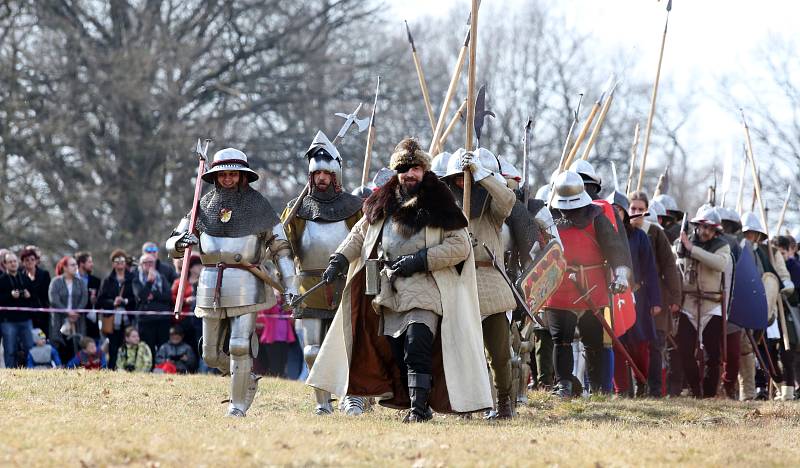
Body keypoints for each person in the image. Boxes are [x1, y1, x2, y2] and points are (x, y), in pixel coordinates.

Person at [308, 138, 493, 423]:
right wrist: (339, 259)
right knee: (396, 351)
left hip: (427, 286)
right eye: (404, 168)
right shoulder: (383, 199)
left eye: (415, 168)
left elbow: (460, 246)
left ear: (424, 170)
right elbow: (359, 234)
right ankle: (415, 402)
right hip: (388, 288)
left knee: (417, 342)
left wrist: (420, 260)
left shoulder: (440, 201)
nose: (410, 174)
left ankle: (419, 411)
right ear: (397, 170)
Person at [166, 147, 298, 417]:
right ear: (215, 177)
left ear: (242, 177)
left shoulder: (258, 206)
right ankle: (245, 378)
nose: (227, 179)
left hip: (247, 282)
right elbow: (173, 244)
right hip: (210, 282)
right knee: (209, 354)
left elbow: (281, 248)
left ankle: (237, 407)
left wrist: (292, 285)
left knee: (240, 346)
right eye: (223, 174)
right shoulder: (201, 207)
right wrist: (181, 242)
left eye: (233, 174)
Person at [280, 131, 365, 415]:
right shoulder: (296, 210)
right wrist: (276, 245)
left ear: (336, 175)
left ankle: (350, 397)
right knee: (312, 349)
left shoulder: (354, 208)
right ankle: (322, 402)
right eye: (317, 174)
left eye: (327, 173)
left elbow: (363, 242)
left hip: (344, 281)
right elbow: (285, 249)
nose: (321, 179)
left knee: (346, 346)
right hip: (308, 284)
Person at [441, 147, 517, 418]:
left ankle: (505, 403)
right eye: (459, 178)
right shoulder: (446, 213)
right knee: (463, 352)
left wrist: (480, 172)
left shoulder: (492, 213)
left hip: (490, 282)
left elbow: (507, 199)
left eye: (467, 178)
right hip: (459, 282)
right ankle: (467, 405)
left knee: (499, 354)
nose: (464, 183)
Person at [542, 171, 632, 398]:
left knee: (594, 342)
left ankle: (599, 388)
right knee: (560, 340)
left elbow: (615, 248)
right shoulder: (549, 217)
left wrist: (620, 275)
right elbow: (538, 249)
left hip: (591, 285)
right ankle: (564, 385)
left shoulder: (596, 216)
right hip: (560, 285)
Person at [674, 205, 732, 398]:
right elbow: (676, 268)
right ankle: (695, 390)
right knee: (683, 349)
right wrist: (681, 249)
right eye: (702, 227)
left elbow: (720, 264)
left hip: (711, 305)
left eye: (710, 228)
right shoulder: (684, 243)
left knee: (712, 356)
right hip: (689, 303)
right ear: (696, 226)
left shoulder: (722, 246)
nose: (706, 231)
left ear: (715, 230)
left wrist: (693, 250)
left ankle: (708, 396)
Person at [629, 191, 682, 398]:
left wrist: (675, 297)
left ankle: (654, 391)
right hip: (631, 298)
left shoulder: (654, 232)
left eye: (641, 209)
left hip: (655, 298)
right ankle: (637, 386)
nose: (636, 213)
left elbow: (669, 266)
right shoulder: (621, 232)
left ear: (646, 211)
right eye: (633, 208)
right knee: (633, 345)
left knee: (655, 345)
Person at [609, 191, 661, 397]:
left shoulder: (639, 237)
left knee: (638, 344)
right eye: (612, 210)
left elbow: (650, 270)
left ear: (624, 213)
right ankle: (621, 390)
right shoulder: (604, 235)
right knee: (616, 343)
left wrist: (655, 300)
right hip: (611, 297)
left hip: (636, 297)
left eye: (619, 210)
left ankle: (641, 383)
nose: (616, 214)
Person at [741, 212, 795, 400]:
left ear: (758, 235)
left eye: (752, 233)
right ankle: (752, 390)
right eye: (746, 233)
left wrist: (785, 282)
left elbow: (779, 275)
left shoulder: (768, 252)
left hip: (768, 308)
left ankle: (783, 388)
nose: (749, 237)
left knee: (770, 350)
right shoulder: (739, 250)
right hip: (744, 306)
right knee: (752, 349)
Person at [97, 249, 137, 369]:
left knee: (128, 345)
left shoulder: (133, 278)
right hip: (113, 321)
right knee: (113, 346)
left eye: (122, 260)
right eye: (117, 260)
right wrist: (113, 302)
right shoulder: (108, 280)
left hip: (129, 319)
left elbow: (137, 298)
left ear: (126, 263)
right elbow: (100, 300)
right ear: (113, 263)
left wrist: (125, 301)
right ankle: (112, 369)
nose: (120, 263)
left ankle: (129, 368)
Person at [49, 256, 89, 364]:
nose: (75, 267)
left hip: (77, 320)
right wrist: (67, 312)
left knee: (77, 344)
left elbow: (84, 298)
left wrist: (76, 312)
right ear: (65, 267)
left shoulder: (80, 283)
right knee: (60, 345)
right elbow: (53, 299)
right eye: (72, 265)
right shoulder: (56, 282)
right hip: (59, 320)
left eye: (76, 264)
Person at [133, 253, 173, 359]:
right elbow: (141, 296)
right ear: (141, 265)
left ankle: (162, 368)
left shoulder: (162, 278)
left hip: (162, 319)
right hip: (146, 320)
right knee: (148, 348)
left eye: (151, 262)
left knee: (163, 346)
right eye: (146, 263)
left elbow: (168, 296)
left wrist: (154, 295)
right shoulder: (136, 279)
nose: (149, 265)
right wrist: (149, 282)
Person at [0, 252, 36, 367]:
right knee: (10, 350)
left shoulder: (25, 279)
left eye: (14, 261)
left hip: (25, 319)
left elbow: (35, 297)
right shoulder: (1, 280)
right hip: (8, 321)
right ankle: (10, 372)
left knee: (30, 347)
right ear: (4, 264)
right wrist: (9, 295)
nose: (13, 264)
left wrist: (28, 295)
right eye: (10, 262)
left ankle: (31, 371)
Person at [171, 254, 203, 358]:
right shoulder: (179, 282)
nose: (201, 268)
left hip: (201, 320)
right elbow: (171, 297)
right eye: (198, 265)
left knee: (200, 344)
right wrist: (185, 300)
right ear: (190, 267)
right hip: (184, 321)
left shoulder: (205, 282)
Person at [254, 300, 295, 377]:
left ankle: (280, 377)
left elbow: (291, 315)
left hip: (284, 338)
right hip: (271, 338)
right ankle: (274, 377)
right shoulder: (271, 303)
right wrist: (273, 301)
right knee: (274, 362)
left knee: (283, 361)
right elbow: (264, 311)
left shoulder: (285, 303)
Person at [19, 248, 51, 332]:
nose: (30, 262)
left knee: (42, 337)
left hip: (42, 313)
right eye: (27, 260)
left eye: (32, 259)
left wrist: (31, 295)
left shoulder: (44, 274)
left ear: (36, 261)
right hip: (26, 314)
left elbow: (45, 294)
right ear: (23, 262)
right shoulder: (20, 276)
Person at [76, 251, 101, 339]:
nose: (92, 264)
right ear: (82, 263)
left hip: (91, 323)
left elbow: (100, 300)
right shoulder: (72, 279)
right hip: (75, 320)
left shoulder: (96, 281)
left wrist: (95, 301)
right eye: (89, 262)